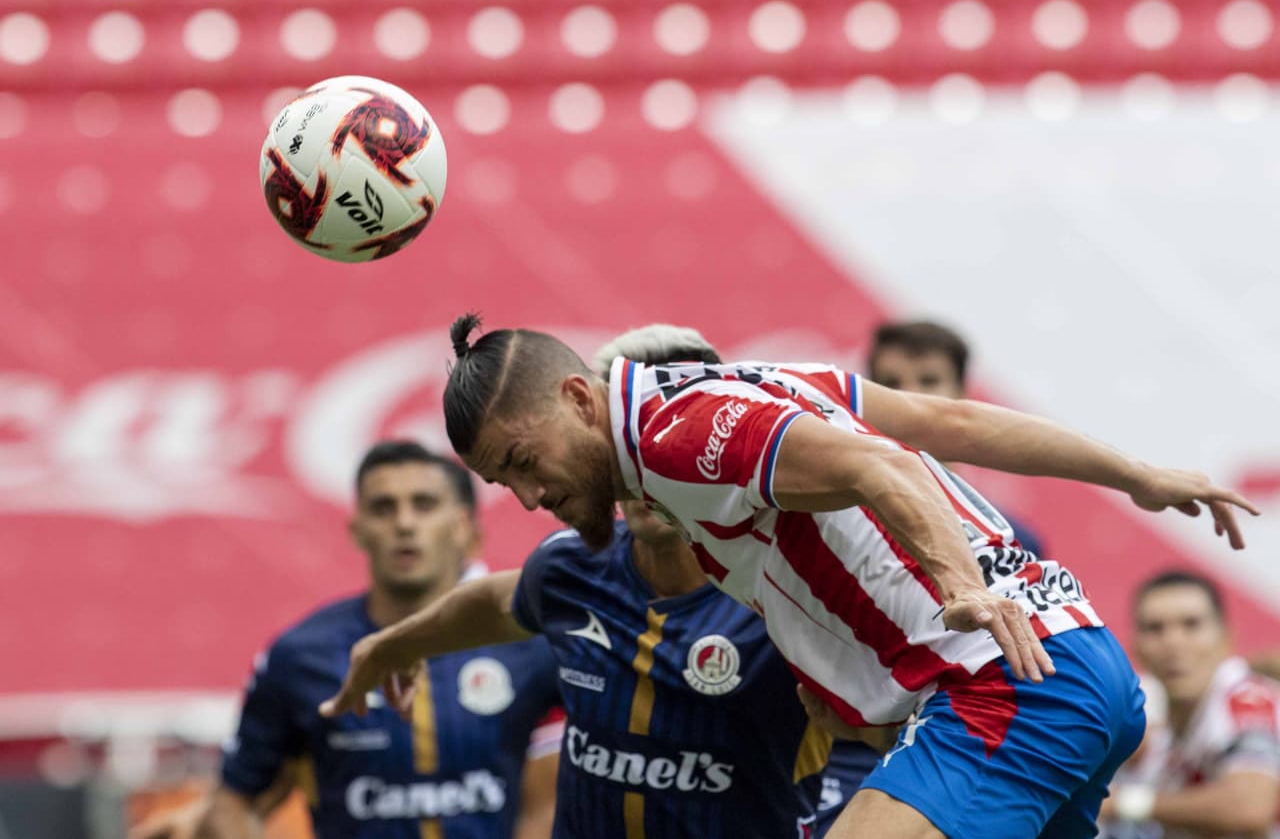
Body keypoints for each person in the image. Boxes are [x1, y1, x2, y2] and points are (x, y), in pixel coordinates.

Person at [404, 313, 1258, 838]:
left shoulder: (677, 438)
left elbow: (883, 467)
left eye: (523, 460)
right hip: (1077, 662)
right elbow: (947, 420)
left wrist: (957, 583)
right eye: (499, 483)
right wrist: (1136, 474)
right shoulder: (757, 383)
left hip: (1007, 687)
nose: (524, 496)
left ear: (582, 401)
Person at [321, 326, 880, 838]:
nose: (651, 460)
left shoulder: (793, 590)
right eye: (628, 438)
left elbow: (907, 718)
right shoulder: (569, 569)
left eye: (670, 437)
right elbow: (498, 602)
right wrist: (395, 644)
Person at [131, 441, 561, 839]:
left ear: (465, 527)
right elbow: (237, 799)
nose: (404, 523)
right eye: (383, 507)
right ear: (357, 529)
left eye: (424, 505)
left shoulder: (533, 645)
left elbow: (550, 807)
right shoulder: (300, 655)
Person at [1102, 571, 1279, 838]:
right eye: (1155, 628)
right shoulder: (1159, 742)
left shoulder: (1248, 698)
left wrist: (1125, 803)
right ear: (1135, 647)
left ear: (1226, 638)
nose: (1173, 642)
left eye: (1191, 625)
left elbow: (1249, 808)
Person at [867, 319, 1046, 555]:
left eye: (929, 381)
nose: (909, 396)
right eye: (891, 383)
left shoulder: (1014, 541)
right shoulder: (837, 519)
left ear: (962, 394)